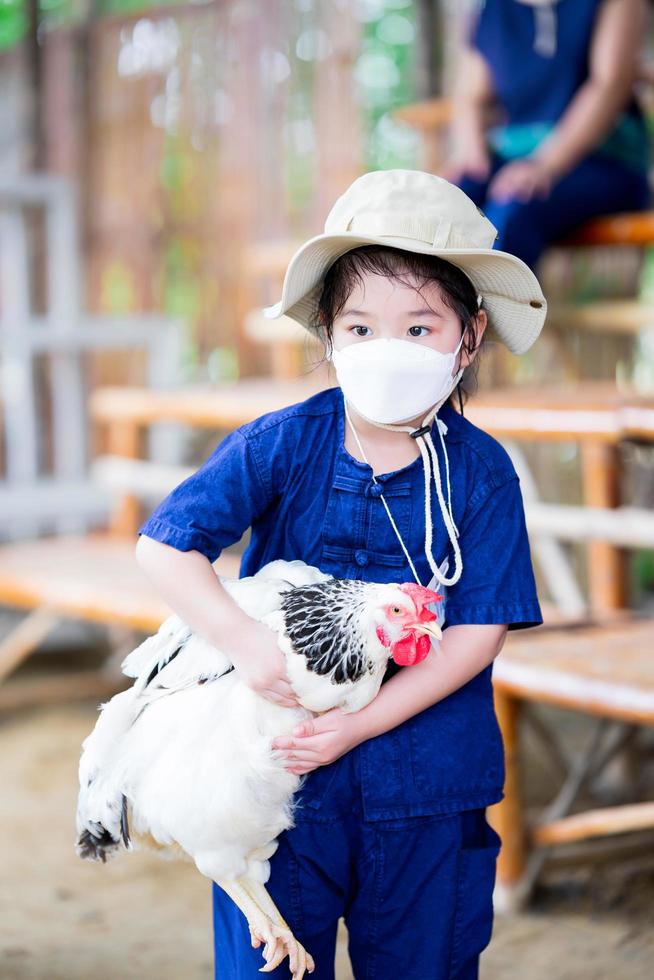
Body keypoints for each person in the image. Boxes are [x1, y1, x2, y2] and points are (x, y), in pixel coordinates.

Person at [135, 169, 546, 979]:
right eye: (361, 327)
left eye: (419, 328)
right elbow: (165, 547)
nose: (386, 349)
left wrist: (362, 721)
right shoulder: (281, 443)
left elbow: (477, 633)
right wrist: (243, 643)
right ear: (327, 336)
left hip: (429, 792)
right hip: (278, 796)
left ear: (468, 340)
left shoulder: (483, 472)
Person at [442, 0, 651, 268]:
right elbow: (472, 97)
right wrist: (470, 156)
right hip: (511, 161)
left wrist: (544, 165)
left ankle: (504, 309)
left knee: (511, 212)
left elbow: (608, 85)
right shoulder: (492, 9)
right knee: (447, 207)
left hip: (599, 160)